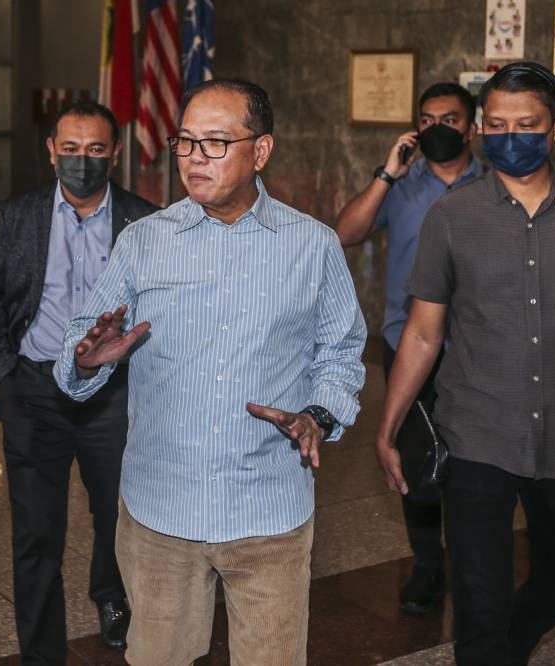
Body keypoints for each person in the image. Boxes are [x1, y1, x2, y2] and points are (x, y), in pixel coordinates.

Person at [54, 79, 366, 666]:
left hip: (268, 510)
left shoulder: (313, 246)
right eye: (186, 142)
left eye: (217, 143)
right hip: (159, 513)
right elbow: (82, 338)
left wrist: (318, 414)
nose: (195, 158)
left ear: (262, 151)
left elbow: (341, 352)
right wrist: (83, 357)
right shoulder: (143, 241)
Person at [374, 61, 555, 665]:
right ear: (481, 128)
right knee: (480, 607)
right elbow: (424, 333)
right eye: (498, 124)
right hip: (476, 433)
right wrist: (388, 425)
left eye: (528, 124)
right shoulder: (451, 218)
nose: (512, 137)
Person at [0, 101, 157, 665]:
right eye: (71, 150)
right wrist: (4, 374)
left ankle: (110, 595)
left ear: (115, 153)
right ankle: (42, 655)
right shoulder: (20, 215)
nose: (83, 161)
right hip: (36, 391)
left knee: (117, 516)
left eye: (96, 150)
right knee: (36, 535)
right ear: (51, 151)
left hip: (112, 395)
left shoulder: (144, 222)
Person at [336, 82, 481, 614]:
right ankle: (427, 568)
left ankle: (472, 565)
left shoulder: (493, 184)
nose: (437, 128)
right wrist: (387, 173)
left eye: (449, 118)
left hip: (475, 347)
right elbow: (346, 232)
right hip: (408, 340)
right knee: (416, 464)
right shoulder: (402, 184)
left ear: (471, 126)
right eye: (427, 119)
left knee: (473, 464)